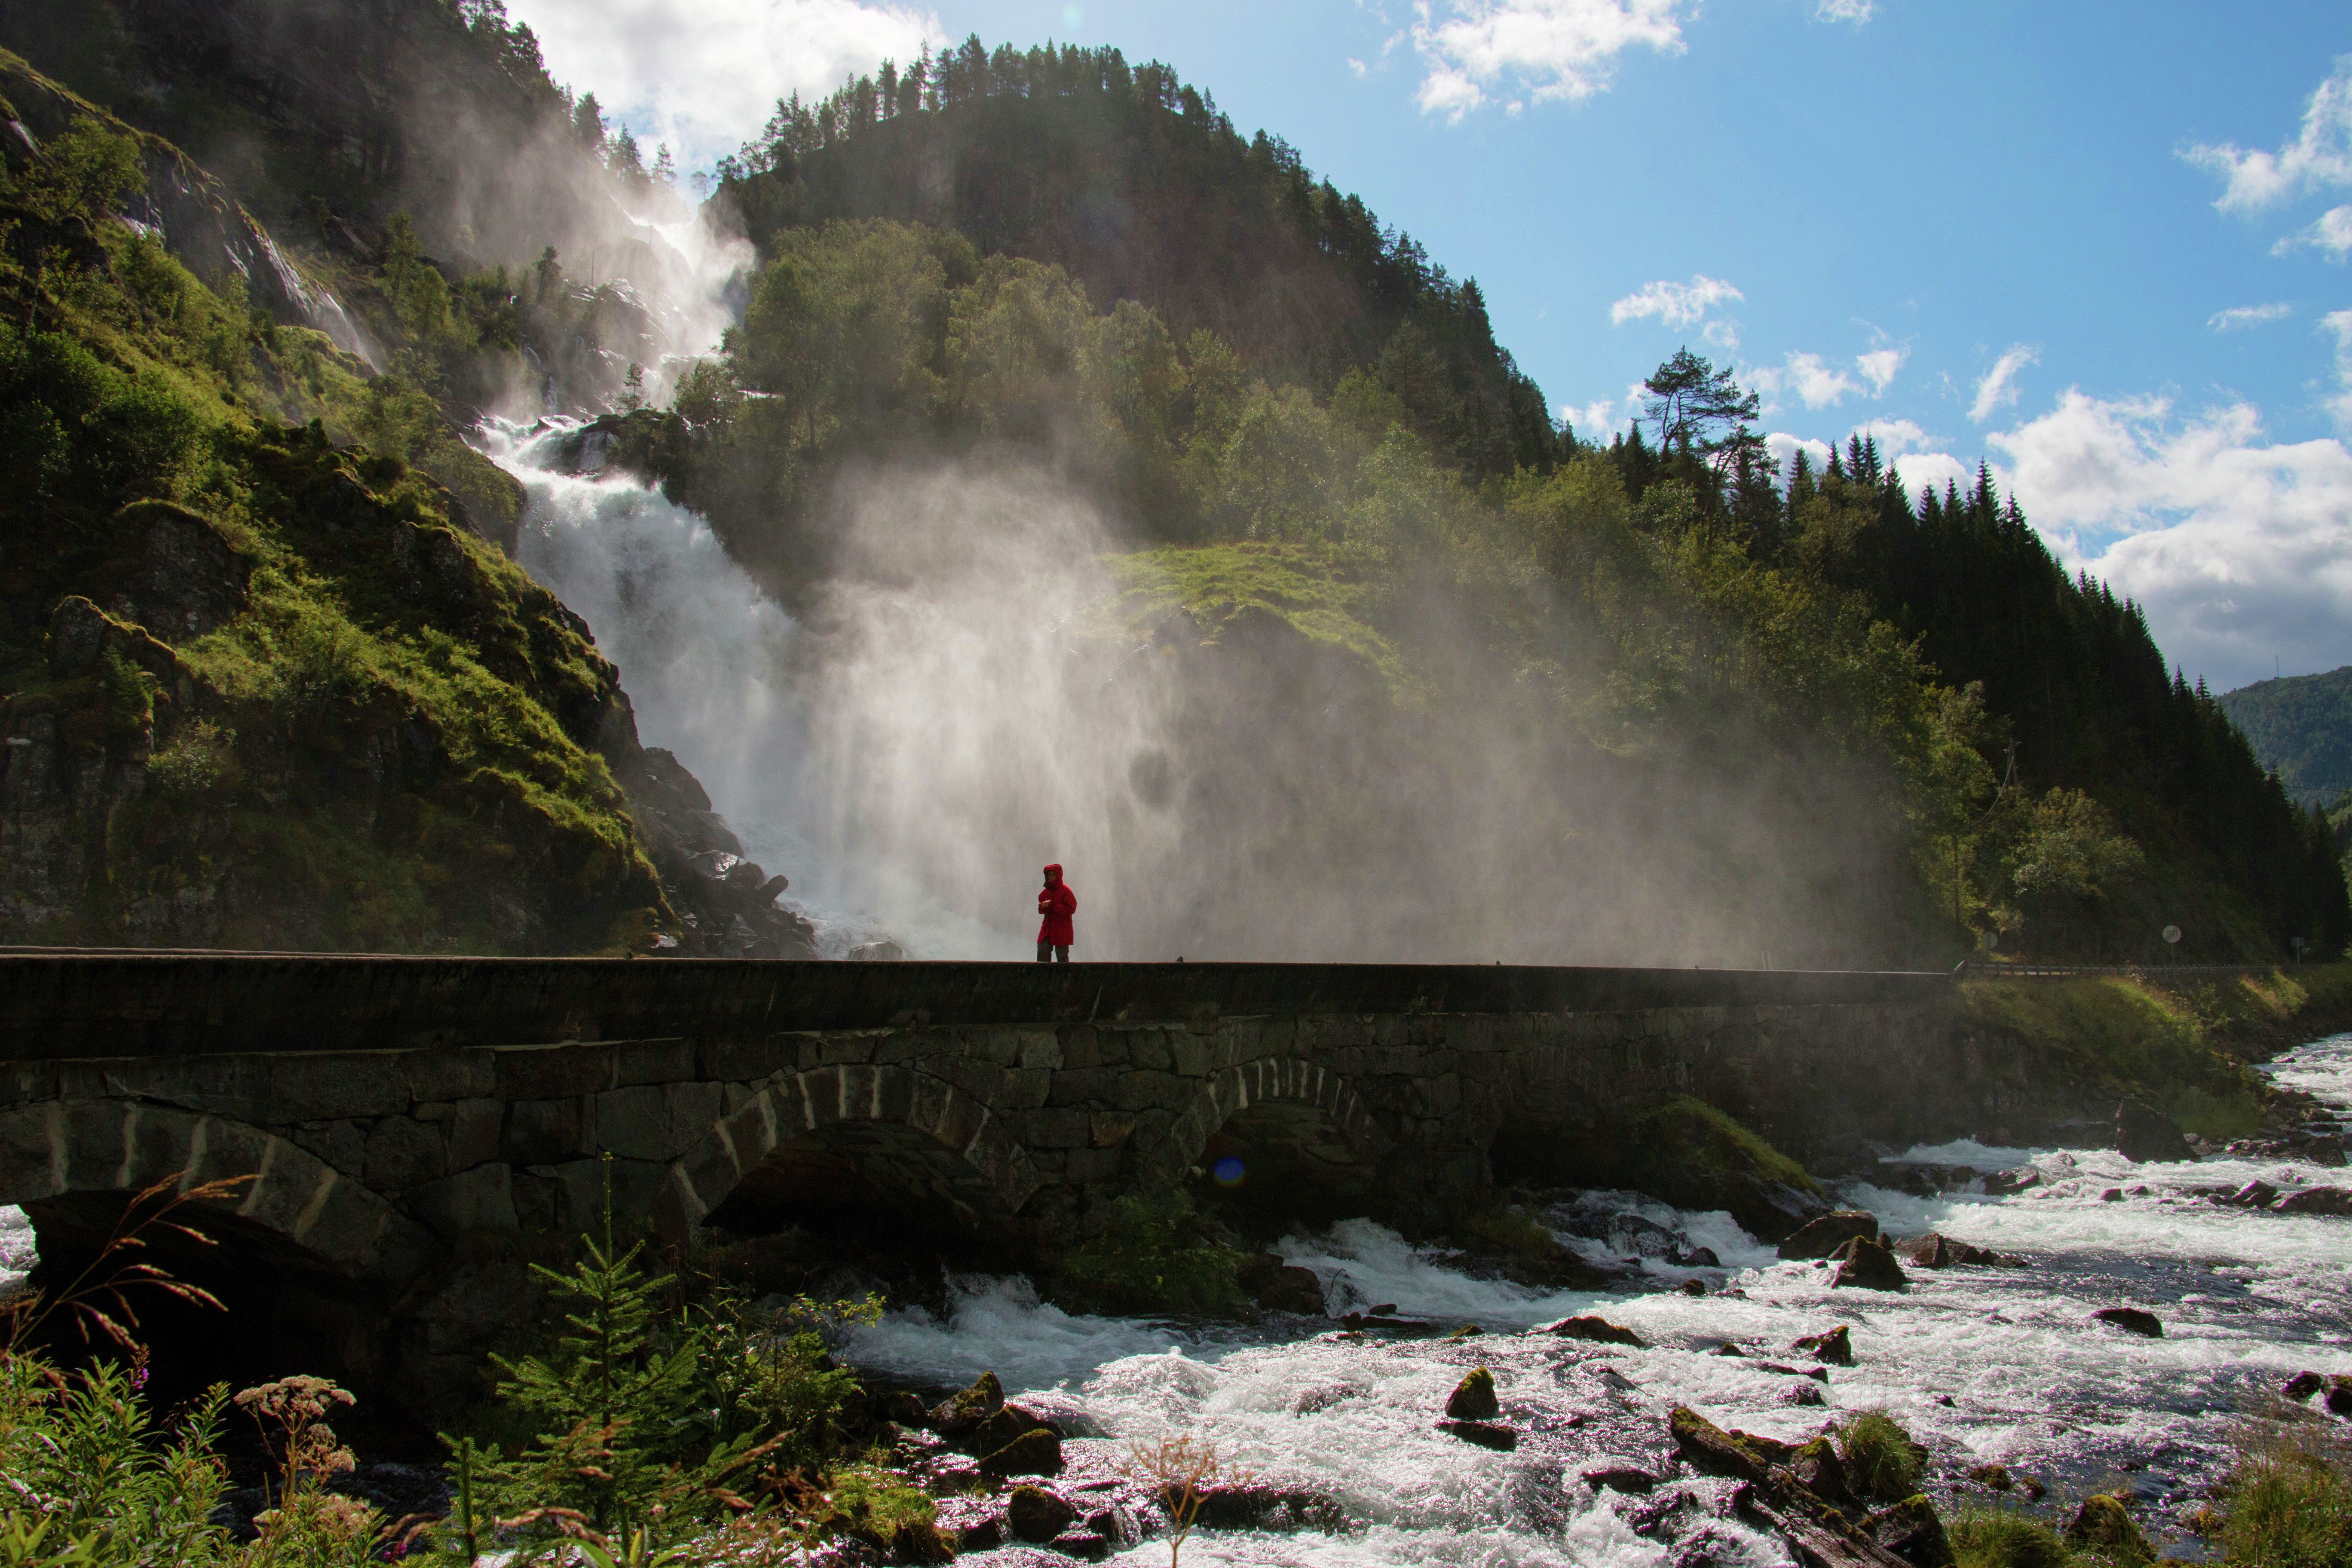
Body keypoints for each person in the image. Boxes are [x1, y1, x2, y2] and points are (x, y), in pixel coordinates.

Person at [1036, 863, 1076, 963]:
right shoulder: (1046, 893)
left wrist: (1052, 906)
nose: (1050, 877)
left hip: (1062, 929)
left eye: (1053, 875)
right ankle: (1044, 976)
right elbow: (1041, 910)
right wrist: (1043, 906)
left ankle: (1063, 977)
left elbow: (1071, 908)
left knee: (1062, 956)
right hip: (1048, 928)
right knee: (1042, 949)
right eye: (1049, 875)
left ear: (1058, 876)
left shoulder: (1066, 891)